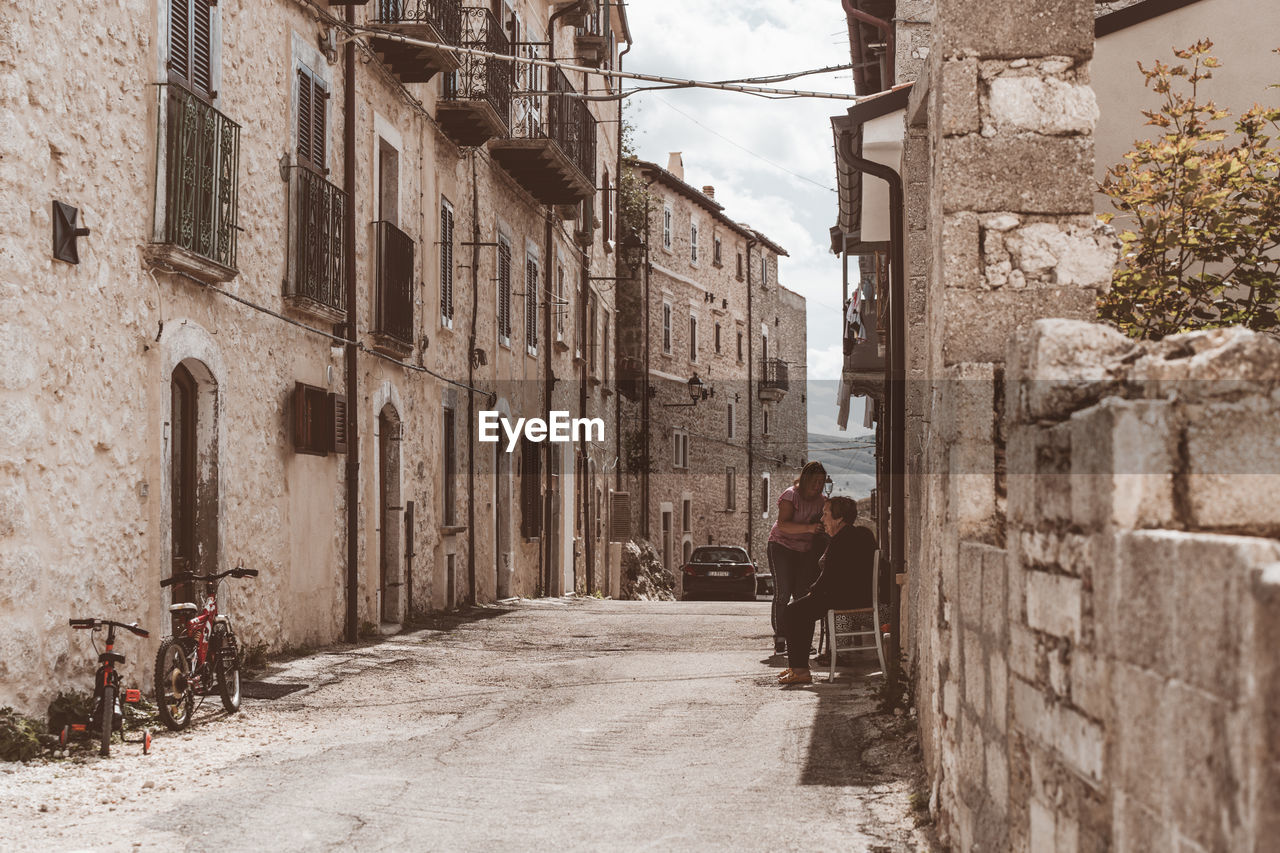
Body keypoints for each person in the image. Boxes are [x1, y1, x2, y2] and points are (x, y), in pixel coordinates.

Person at [777, 495, 877, 685]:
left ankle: (800, 671)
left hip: (846, 598)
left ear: (838, 518)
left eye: (825, 514)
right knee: (801, 610)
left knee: (793, 611)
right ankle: (798, 668)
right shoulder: (859, 534)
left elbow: (830, 577)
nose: (822, 519)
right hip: (853, 595)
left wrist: (812, 593)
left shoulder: (842, 539)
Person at [767, 461, 828, 655]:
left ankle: (800, 640)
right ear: (805, 479)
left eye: (822, 482)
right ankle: (781, 638)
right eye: (814, 481)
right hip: (781, 546)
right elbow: (783, 525)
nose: (818, 486)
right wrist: (809, 528)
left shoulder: (822, 501)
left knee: (802, 596)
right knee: (783, 593)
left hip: (805, 551)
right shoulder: (790, 496)